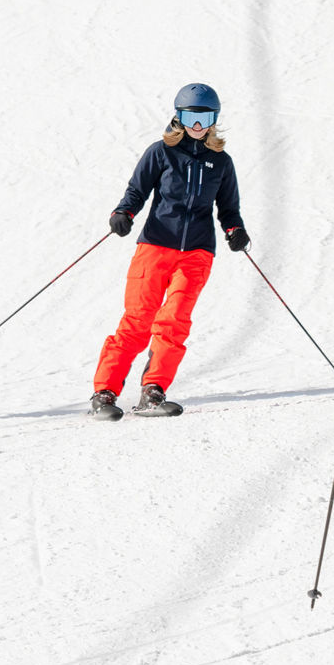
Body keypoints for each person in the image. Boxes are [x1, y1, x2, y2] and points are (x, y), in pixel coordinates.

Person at [88, 83, 248, 421]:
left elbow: (229, 208)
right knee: (138, 320)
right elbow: (137, 190)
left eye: (205, 117)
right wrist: (123, 213)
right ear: (178, 116)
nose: (198, 125)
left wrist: (235, 230)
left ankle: (153, 390)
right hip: (156, 246)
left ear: (215, 119)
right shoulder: (160, 152)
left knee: (173, 322)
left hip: (197, 254)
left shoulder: (221, 162)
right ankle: (104, 392)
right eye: (191, 116)